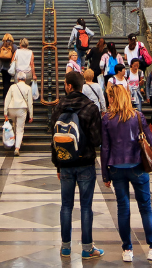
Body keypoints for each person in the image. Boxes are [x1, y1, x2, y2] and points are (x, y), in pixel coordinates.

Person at [100, 84, 152, 265]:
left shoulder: (107, 118)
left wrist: (105, 175)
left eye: (110, 96)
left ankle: (127, 250)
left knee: (123, 209)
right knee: (145, 207)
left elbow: (105, 148)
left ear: (113, 98)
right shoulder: (137, 116)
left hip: (116, 167)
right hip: (137, 166)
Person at [50, 71, 104, 260]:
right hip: (85, 163)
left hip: (64, 162)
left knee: (66, 206)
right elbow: (97, 140)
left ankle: (65, 247)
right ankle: (87, 248)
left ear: (69, 86)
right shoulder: (91, 107)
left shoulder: (58, 107)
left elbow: (54, 139)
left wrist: (57, 164)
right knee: (86, 207)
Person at [4, 71, 35, 155]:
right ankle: (17, 148)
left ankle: (14, 140)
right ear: (25, 79)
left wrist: (5, 111)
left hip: (11, 108)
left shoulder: (12, 87)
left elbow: (7, 99)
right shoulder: (28, 88)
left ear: (17, 79)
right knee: (20, 129)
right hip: (22, 109)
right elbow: (30, 103)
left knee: (15, 123)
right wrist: (31, 115)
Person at [0, 33, 17, 97]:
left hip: (2, 65)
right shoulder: (14, 46)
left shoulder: (1, 44)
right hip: (10, 66)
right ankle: (7, 95)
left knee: (4, 80)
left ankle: (5, 95)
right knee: (8, 80)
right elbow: (16, 56)